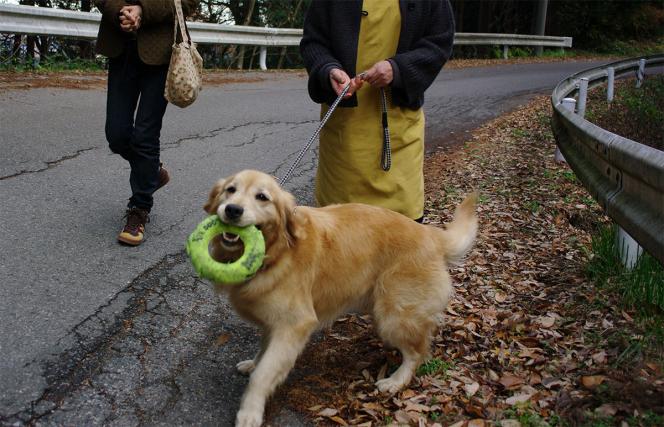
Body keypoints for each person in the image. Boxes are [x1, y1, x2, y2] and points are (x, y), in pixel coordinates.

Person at [300, 0, 455, 222]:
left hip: (400, 133)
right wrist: (328, 69)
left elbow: (440, 42)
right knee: (339, 233)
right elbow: (313, 42)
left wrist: (399, 68)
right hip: (344, 139)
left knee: (401, 235)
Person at [94, 0, 198, 245]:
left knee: (145, 136)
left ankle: (139, 209)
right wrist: (121, 11)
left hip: (161, 52)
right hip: (121, 48)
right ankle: (152, 172)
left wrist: (143, 10)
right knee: (117, 134)